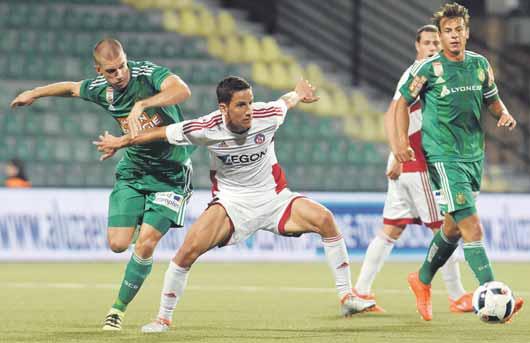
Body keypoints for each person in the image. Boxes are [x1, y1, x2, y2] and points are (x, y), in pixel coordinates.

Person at [94, 76, 376, 333]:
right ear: (223, 108)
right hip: (232, 204)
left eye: (250, 102)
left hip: (274, 198)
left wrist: (299, 93)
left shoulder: (269, 116)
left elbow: (285, 102)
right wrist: (122, 141)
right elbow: (161, 133)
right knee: (186, 252)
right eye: (241, 105)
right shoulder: (205, 128)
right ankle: (163, 318)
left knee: (325, 219)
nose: (249, 110)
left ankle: (347, 297)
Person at [10, 38, 194, 331]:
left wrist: (141, 105)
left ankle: (116, 310)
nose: (119, 74)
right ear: (99, 71)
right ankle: (140, 228)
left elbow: (181, 90)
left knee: (146, 243)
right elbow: (70, 87)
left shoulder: (148, 74)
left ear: (126, 59)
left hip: (170, 176)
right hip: (134, 171)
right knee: (118, 244)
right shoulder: (101, 90)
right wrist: (34, 93)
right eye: (110, 70)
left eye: (121, 66)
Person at [393, 2, 523, 321]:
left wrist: (503, 114)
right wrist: (399, 144)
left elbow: (491, 98)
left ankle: (422, 279)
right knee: (471, 225)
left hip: (472, 156)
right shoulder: (428, 69)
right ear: (440, 35)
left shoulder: (480, 65)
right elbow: (400, 105)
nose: (453, 36)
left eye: (458, 30)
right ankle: (495, 294)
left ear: (467, 32)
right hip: (442, 156)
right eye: (447, 31)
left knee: (452, 227)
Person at [353, 25, 473, 313]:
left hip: (409, 164)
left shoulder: (430, 73)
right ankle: (457, 295)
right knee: (447, 228)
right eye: (427, 42)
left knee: (390, 229)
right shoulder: (421, 72)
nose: (432, 47)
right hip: (418, 166)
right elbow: (395, 113)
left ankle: (360, 292)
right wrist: (398, 152)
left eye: (436, 42)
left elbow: (403, 114)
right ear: (417, 46)